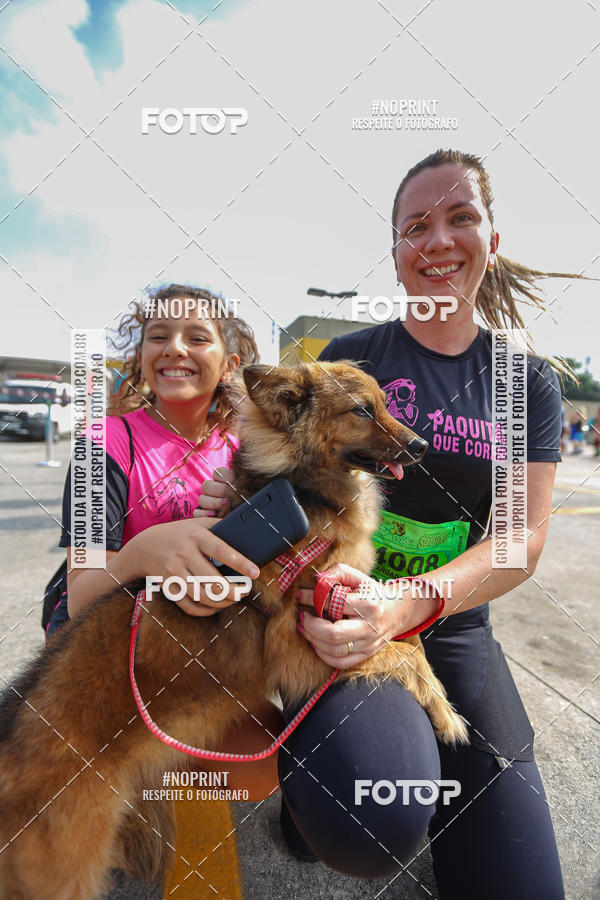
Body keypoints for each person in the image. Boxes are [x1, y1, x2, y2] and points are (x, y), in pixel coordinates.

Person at [201, 150, 577, 898]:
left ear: (490, 241)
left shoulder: (524, 382)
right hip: (332, 614)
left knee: (521, 884)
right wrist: (230, 484)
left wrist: (411, 604)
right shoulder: (350, 357)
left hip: (452, 621)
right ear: (397, 253)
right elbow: (268, 448)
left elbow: (521, 539)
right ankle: (315, 811)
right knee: (368, 819)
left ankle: (437, 782)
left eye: (460, 218)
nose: (437, 239)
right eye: (415, 226)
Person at [50, 284, 282, 797]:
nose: (175, 348)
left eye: (197, 337)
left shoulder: (246, 452)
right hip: (102, 640)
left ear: (230, 363)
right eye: (159, 336)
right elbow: (84, 592)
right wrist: (142, 552)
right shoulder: (101, 442)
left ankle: (147, 772)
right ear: (141, 357)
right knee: (84, 772)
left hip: (193, 647)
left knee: (260, 773)